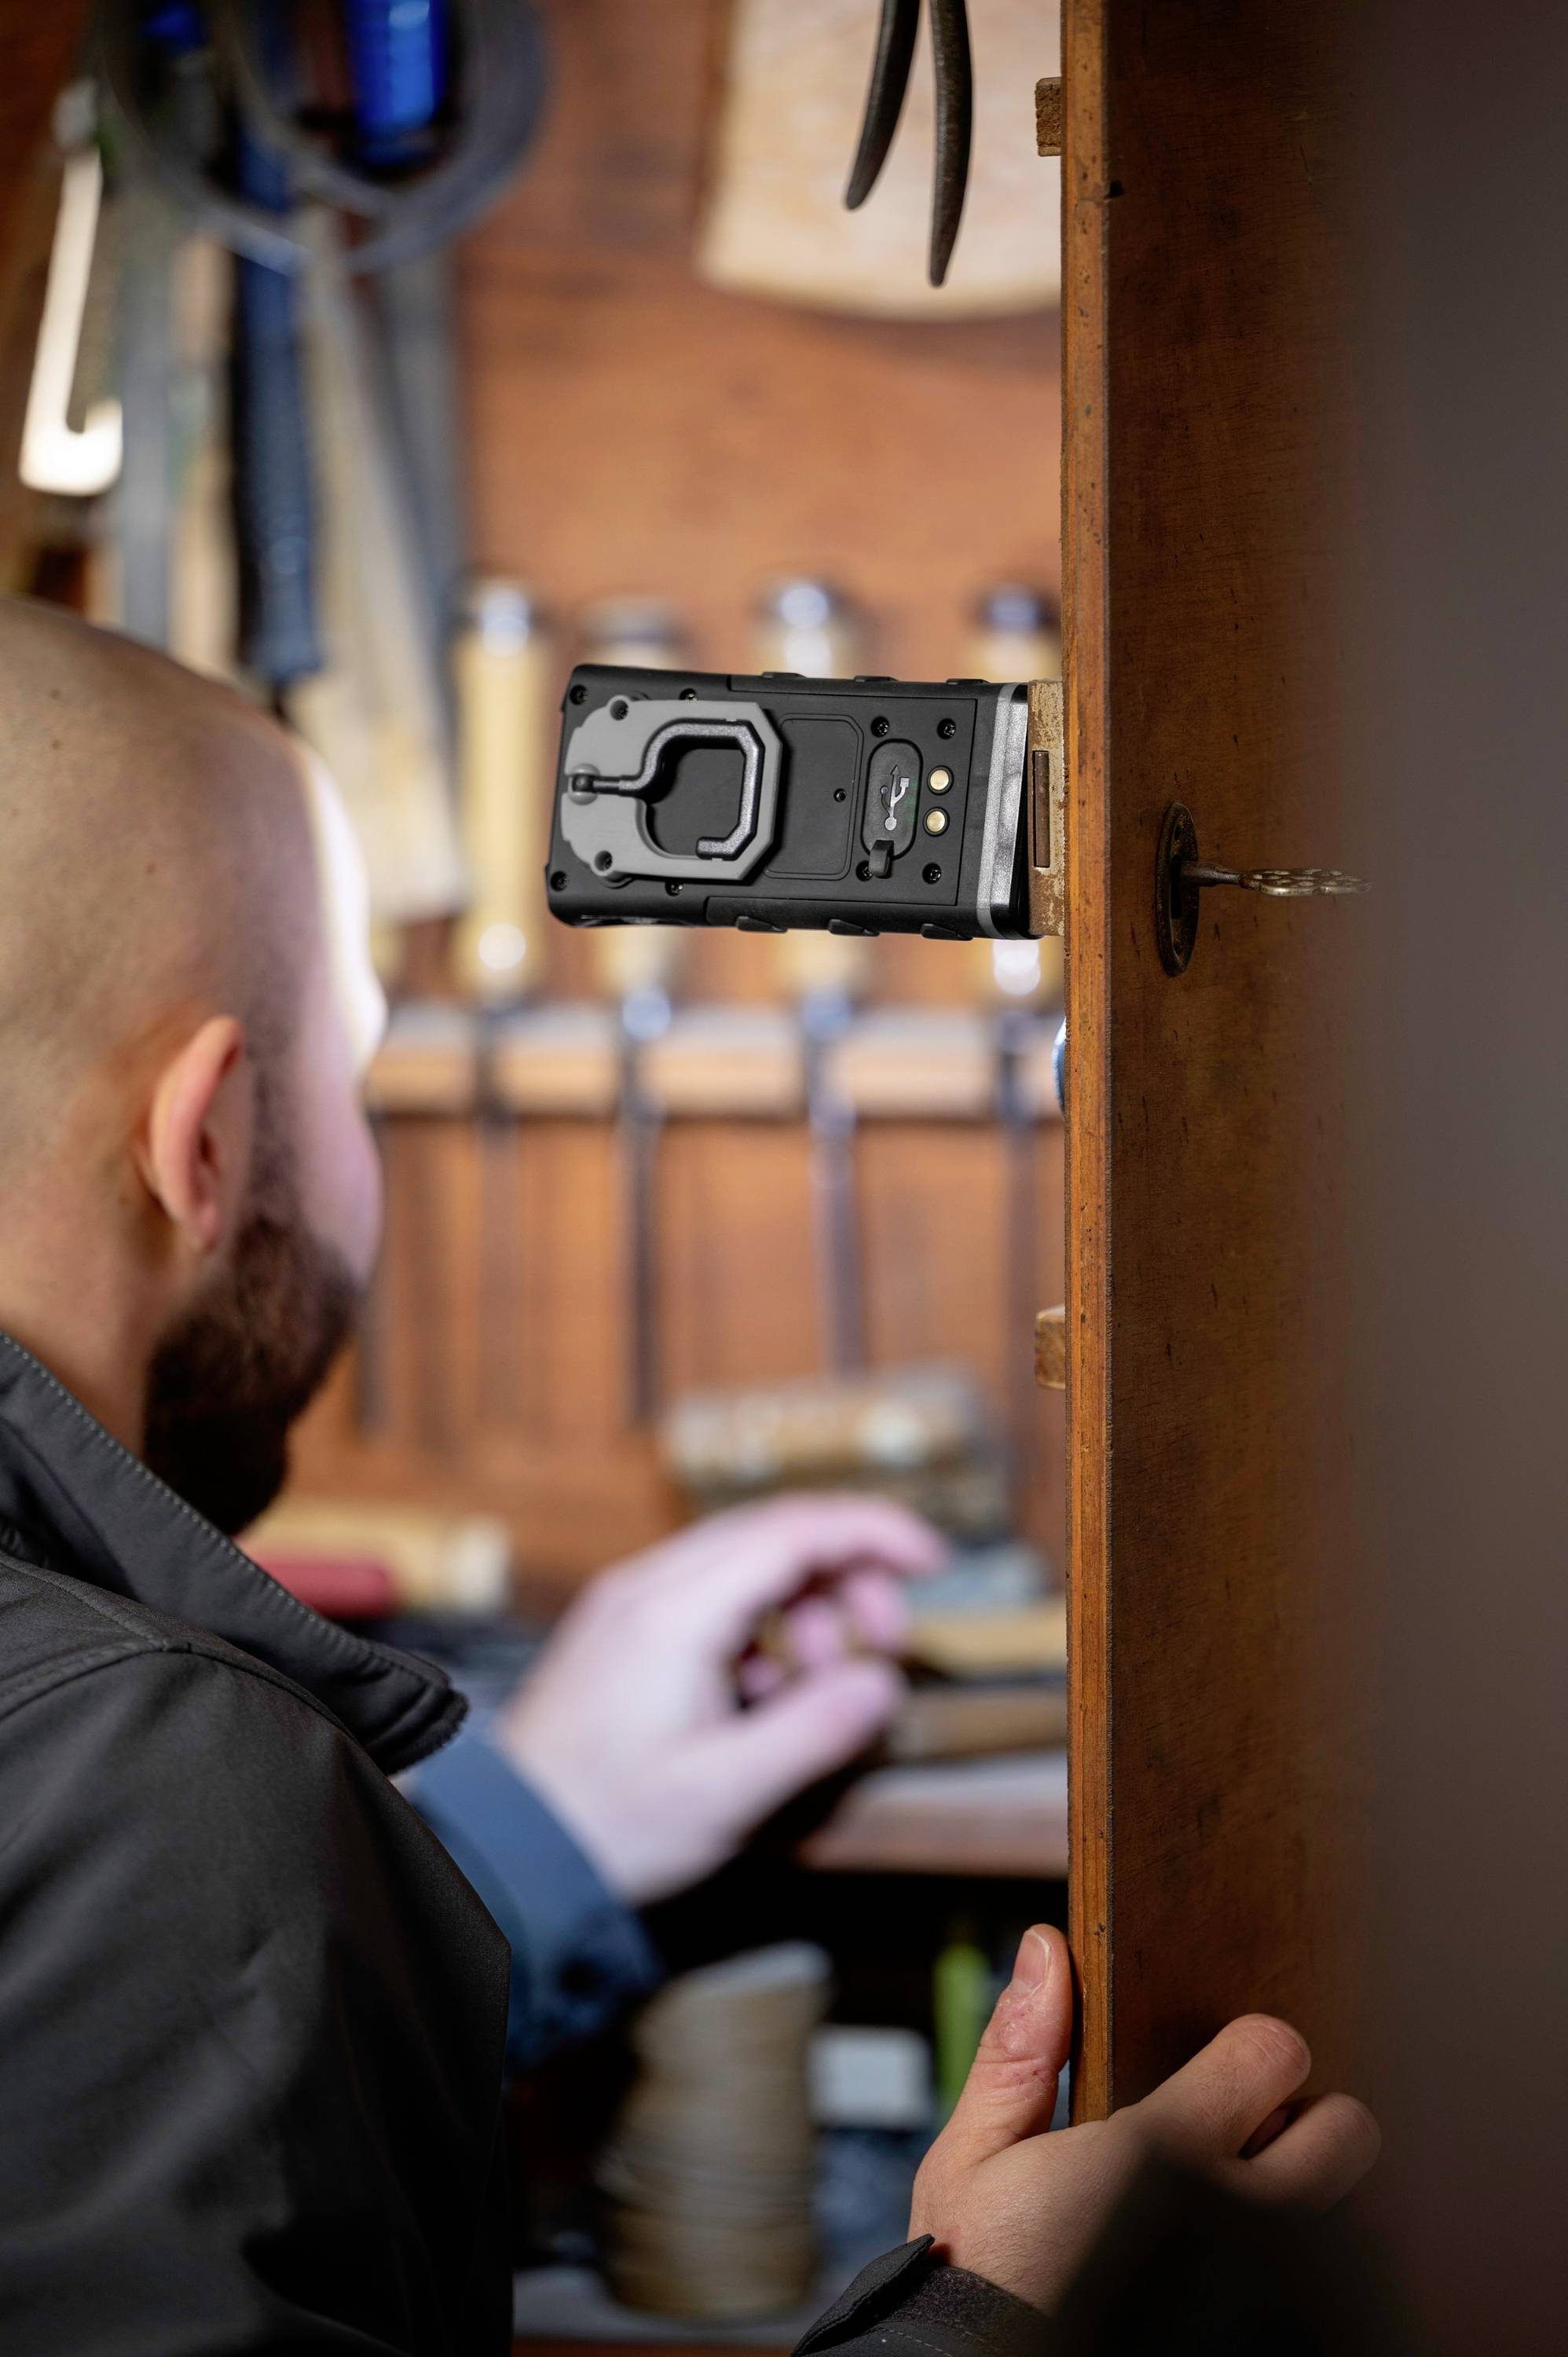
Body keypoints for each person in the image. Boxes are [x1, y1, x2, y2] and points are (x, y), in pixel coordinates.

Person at [0, 602, 1378, 2352]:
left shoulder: (95, 1781)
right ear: (201, 1141)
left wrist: (534, 1835)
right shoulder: (139, 1773)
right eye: (354, 1067)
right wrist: (1000, 2323)